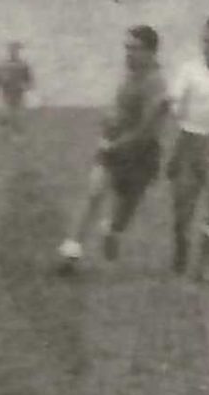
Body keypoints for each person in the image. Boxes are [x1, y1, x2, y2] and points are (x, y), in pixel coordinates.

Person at [56, 25, 170, 270]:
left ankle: (112, 230)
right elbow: (118, 108)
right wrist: (108, 123)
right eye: (126, 48)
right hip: (113, 147)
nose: (128, 53)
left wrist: (119, 143)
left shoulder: (156, 84)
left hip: (140, 152)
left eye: (135, 48)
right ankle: (71, 251)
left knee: (125, 208)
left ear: (151, 52)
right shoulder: (128, 75)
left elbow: (147, 129)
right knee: (94, 193)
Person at [167, 14, 209, 280]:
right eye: (205, 41)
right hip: (190, 141)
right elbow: (175, 102)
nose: (207, 47)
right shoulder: (189, 70)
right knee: (183, 208)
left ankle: (205, 265)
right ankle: (181, 246)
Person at [0, 41, 36, 119]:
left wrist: (25, 86)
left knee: (18, 116)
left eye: (15, 50)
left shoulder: (23, 65)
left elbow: (29, 80)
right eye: (11, 50)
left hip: (19, 93)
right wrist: (2, 82)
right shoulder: (3, 65)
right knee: (5, 115)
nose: (13, 53)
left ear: (18, 52)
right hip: (6, 93)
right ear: (8, 52)